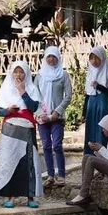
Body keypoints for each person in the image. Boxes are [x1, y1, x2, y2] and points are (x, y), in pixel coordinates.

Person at [0, 61, 43, 208]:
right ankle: (11, 197)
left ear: (26, 73)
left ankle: (30, 197)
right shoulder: (6, 89)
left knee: (29, 161)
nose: (18, 75)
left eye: (21, 72)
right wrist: (7, 110)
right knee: (10, 162)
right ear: (11, 73)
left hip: (27, 127)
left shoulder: (32, 88)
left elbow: (34, 107)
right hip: (10, 129)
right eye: (16, 72)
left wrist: (22, 91)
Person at [34, 46, 72, 188]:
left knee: (57, 144)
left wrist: (58, 111)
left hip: (58, 117)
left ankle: (61, 175)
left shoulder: (63, 75)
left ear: (58, 58)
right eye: (48, 56)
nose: (51, 59)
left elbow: (68, 96)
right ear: (45, 58)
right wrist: (39, 113)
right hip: (42, 118)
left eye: (53, 57)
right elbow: (35, 96)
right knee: (46, 146)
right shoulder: (39, 76)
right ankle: (50, 176)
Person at [82, 46, 108, 156]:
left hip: (103, 106)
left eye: (97, 58)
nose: (94, 61)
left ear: (102, 58)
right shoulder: (90, 73)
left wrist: (99, 87)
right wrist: (84, 112)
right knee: (91, 132)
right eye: (92, 58)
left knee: (103, 132)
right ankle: (91, 158)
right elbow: (88, 94)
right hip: (92, 106)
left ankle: (105, 160)